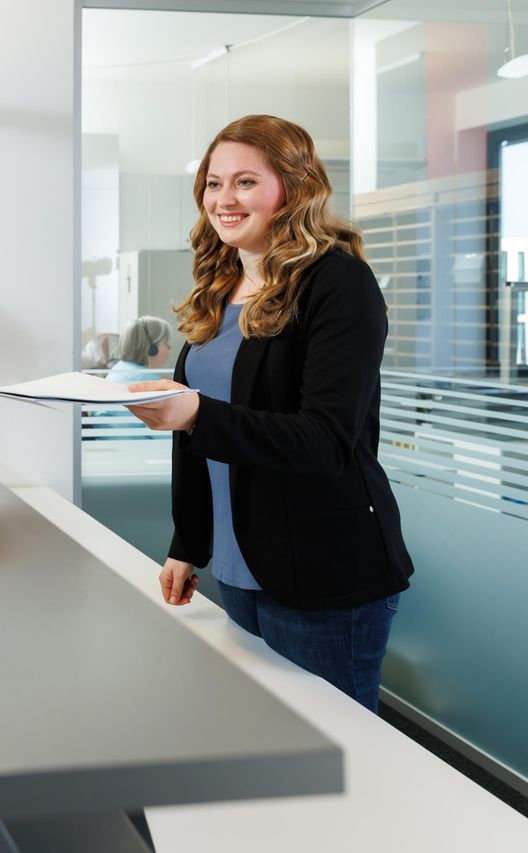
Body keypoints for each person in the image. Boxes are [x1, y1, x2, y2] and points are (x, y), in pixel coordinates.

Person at [124, 115, 413, 712]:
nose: (224, 199)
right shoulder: (223, 283)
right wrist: (188, 542)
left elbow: (324, 441)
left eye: (246, 182)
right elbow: (202, 436)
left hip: (319, 569)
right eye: (213, 183)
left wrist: (195, 413)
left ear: (294, 186)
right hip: (239, 567)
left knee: (336, 755)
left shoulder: (338, 283)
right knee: (264, 732)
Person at [105, 315, 172, 383]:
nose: (169, 347)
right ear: (152, 348)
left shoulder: (119, 367)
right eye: (166, 342)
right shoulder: (149, 379)